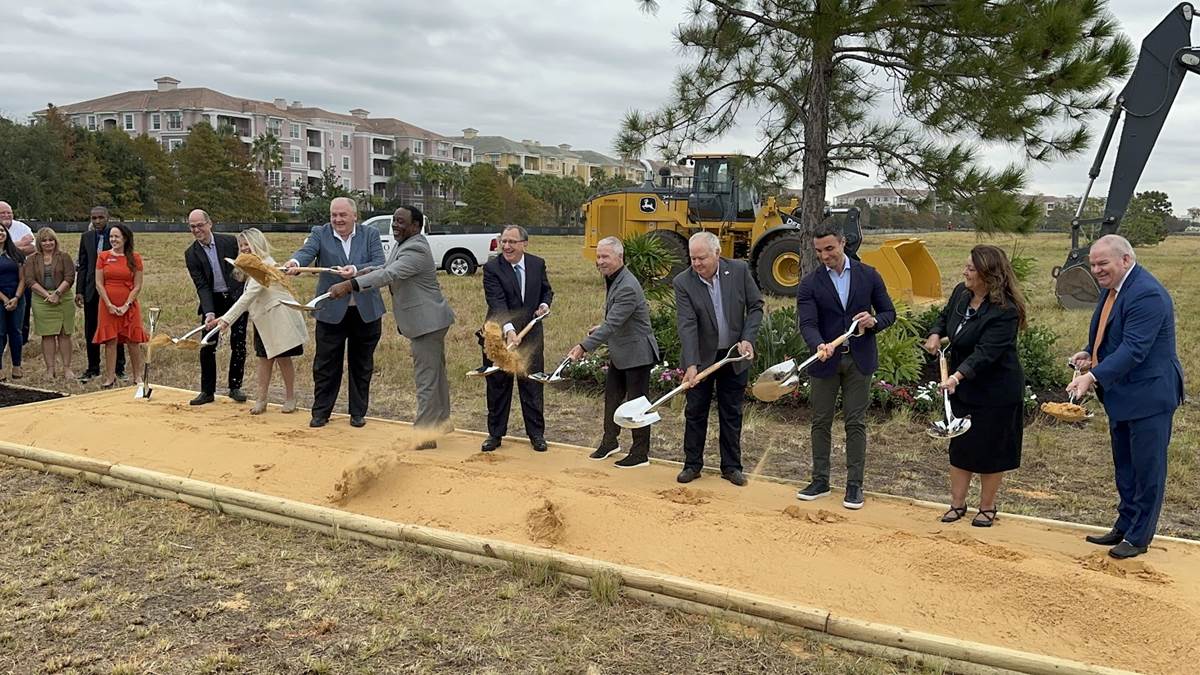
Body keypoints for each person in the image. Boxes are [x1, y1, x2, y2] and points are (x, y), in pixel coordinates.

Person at [1066, 234, 1185, 559]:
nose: (1096, 270)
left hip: (1149, 395)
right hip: (1121, 393)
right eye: (1093, 264)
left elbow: (1134, 349)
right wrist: (1090, 353)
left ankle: (1139, 537)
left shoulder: (1146, 293)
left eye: (1102, 263)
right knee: (1126, 467)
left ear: (1126, 260)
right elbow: (1111, 333)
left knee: (1147, 469)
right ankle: (1125, 525)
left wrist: (1092, 377)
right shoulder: (1114, 289)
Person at [329, 205, 453, 446]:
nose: (395, 225)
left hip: (427, 323)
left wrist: (350, 286)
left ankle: (425, 434)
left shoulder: (416, 248)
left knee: (426, 379)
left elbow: (390, 275)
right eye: (394, 221)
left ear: (416, 226)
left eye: (401, 222)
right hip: (429, 320)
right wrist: (361, 271)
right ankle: (441, 422)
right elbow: (385, 268)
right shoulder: (404, 243)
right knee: (435, 375)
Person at [923, 245, 1026, 527]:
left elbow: (986, 353)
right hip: (964, 387)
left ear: (987, 274)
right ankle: (957, 504)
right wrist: (936, 333)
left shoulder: (1006, 310)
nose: (964, 272)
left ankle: (987, 507)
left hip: (997, 390)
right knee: (961, 446)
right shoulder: (961, 293)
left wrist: (956, 377)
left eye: (970, 268)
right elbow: (945, 317)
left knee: (991, 449)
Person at [795, 223, 896, 509]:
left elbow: (889, 313)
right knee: (820, 421)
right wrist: (819, 344)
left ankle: (854, 485)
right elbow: (808, 323)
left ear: (842, 243)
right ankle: (820, 481)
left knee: (855, 422)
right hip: (824, 361)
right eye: (819, 251)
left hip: (859, 361)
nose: (824, 256)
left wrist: (873, 322)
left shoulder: (869, 275)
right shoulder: (810, 283)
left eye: (829, 248)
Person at [286, 197, 385, 429]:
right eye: (334, 215)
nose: (337, 219)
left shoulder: (370, 234)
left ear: (355, 216)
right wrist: (295, 263)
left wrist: (356, 270)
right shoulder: (320, 233)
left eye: (343, 215)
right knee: (326, 365)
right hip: (330, 312)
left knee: (362, 365)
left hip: (365, 312)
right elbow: (306, 252)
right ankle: (321, 412)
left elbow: (380, 263)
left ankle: (358, 413)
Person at [673, 232, 763, 486]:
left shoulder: (739, 271)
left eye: (701, 258)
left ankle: (731, 467)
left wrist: (747, 339)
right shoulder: (683, 282)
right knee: (695, 411)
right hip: (702, 357)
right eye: (693, 258)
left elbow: (756, 306)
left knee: (731, 411)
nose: (696, 263)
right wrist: (691, 364)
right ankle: (692, 465)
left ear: (717, 253)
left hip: (734, 355)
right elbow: (687, 324)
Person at [566, 236, 660, 469]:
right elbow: (618, 318)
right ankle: (610, 442)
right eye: (598, 256)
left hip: (637, 354)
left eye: (605, 256)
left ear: (620, 257)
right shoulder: (614, 278)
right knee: (612, 398)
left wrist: (583, 346)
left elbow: (613, 323)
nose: (600, 261)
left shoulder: (627, 285)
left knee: (637, 406)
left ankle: (640, 454)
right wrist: (601, 327)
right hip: (621, 351)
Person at [213, 229, 308, 414]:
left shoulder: (264, 265)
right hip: (263, 321)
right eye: (241, 246)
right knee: (263, 359)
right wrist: (224, 318)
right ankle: (261, 399)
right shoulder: (251, 267)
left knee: (283, 359)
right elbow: (248, 299)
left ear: (257, 244)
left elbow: (248, 297)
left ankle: (290, 398)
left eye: (247, 244)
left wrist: (226, 320)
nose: (244, 248)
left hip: (278, 319)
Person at [479, 225, 553, 453]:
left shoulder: (537, 264)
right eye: (504, 241)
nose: (506, 246)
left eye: (512, 242)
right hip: (500, 336)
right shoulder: (492, 268)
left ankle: (536, 435)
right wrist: (509, 330)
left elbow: (546, 290)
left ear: (524, 244)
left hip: (531, 336)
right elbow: (497, 303)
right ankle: (495, 434)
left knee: (532, 384)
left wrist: (544, 305)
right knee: (498, 385)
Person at [184, 209, 247, 405]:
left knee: (239, 343)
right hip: (213, 301)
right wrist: (209, 312)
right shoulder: (191, 254)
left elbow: (243, 267)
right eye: (192, 227)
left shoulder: (229, 242)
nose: (196, 230)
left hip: (236, 298)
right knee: (207, 345)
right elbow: (201, 285)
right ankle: (207, 391)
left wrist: (243, 295)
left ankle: (235, 387)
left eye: (200, 225)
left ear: (209, 224)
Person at [92, 224, 146, 388]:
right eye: (111, 237)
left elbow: (137, 285)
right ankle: (110, 377)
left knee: (133, 340)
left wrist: (126, 304)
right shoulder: (103, 257)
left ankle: (137, 376)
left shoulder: (135, 258)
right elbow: (99, 283)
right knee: (110, 340)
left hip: (129, 305)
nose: (113, 240)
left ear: (125, 238)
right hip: (107, 305)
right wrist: (108, 304)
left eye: (117, 236)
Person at [75, 206, 124, 381]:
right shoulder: (87, 237)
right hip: (91, 290)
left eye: (100, 217)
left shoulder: (116, 236)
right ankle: (93, 367)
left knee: (115, 329)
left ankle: (119, 368)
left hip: (113, 291)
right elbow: (83, 265)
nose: (97, 221)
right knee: (91, 329)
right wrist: (79, 290)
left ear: (107, 218)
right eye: (94, 218)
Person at [24, 227, 77, 379]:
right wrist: (47, 295)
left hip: (63, 298)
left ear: (55, 241)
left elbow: (69, 277)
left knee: (64, 334)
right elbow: (29, 280)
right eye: (44, 241)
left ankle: (67, 368)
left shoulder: (64, 256)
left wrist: (57, 293)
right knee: (47, 335)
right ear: (39, 243)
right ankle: (50, 369)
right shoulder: (32, 259)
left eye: (51, 240)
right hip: (41, 300)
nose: (48, 243)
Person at [0, 202, 35, 357]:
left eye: (9, 212)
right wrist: (20, 244)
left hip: (19, 278)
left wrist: (7, 247)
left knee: (22, 315)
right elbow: (24, 247)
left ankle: (20, 344)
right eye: (2, 213)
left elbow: (32, 248)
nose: (6, 215)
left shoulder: (22, 227)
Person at [0, 224, 26, 380]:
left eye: (2, 230)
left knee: (16, 332)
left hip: (17, 297)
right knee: (0, 333)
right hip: (1, 298)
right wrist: (4, 299)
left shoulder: (16, 254)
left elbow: (22, 278)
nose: (0, 233)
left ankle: (17, 366)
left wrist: (16, 297)